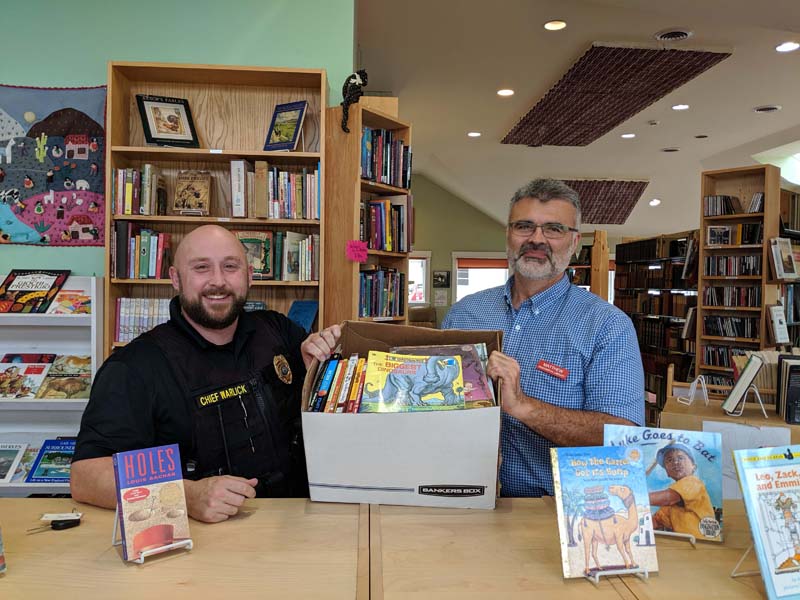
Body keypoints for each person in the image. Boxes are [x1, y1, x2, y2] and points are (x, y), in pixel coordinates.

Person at [71, 225, 340, 523]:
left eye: (230, 266)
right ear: (176, 278)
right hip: (205, 546)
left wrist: (317, 364)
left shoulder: (276, 329)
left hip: (301, 524)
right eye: (201, 268)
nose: (218, 281)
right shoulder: (134, 366)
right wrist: (187, 496)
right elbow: (86, 476)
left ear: (249, 275)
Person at [442, 178, 644, 497]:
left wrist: (523, 407)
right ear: (508, 235)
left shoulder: (607, 326)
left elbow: (621, 438)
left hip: (550, 511)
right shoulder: (464, 314)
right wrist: (341, 353)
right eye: (524, 226)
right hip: (458, 496)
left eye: (553, 229)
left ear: (574, 242)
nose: (537, 239)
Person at [649, 444, 714, 536]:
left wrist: (635, 496)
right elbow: (654, 522)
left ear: (693, 467)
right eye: (669, 460)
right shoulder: (670, 505)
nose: (675, 462)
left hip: (704, 543)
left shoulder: (693, 482)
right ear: (667, 472)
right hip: (685, 545)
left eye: (680, 458)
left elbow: (668, 498)